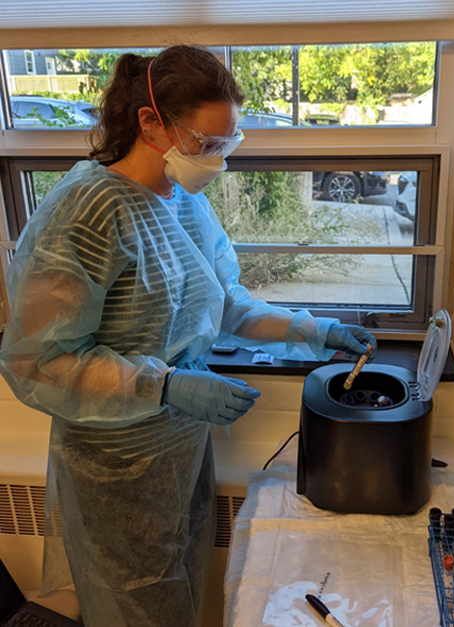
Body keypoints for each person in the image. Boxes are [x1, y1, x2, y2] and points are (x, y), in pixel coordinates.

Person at [0, 46, 377, 627]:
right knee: (137, 609)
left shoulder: (180, 203)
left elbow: (227, 305)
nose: (217, 159)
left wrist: (315, 329)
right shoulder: (88, 210)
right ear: (151, 122)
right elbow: (39, 360)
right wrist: (167, 384)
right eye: (205, 143)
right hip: (114, 469)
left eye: (228, 143)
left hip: (179, 453)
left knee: (178, 600)